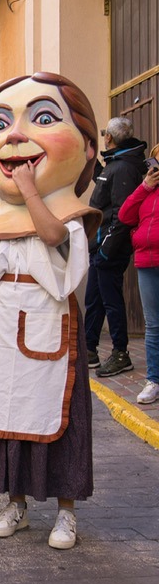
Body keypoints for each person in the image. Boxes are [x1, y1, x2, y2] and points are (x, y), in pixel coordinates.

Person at [0, 71, 100, 551]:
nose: (15, 136)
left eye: (41, 118)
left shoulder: (70, 216)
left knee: (59, 419)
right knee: (5, 411)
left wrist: (31, 189)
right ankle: (14, 502)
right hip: (3, 323)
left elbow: (55, 239)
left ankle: (65, 512)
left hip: (48, 321)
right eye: (1, 122)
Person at [85, 116, 148, 376]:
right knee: (95, 300)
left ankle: (121, 353)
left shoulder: (122, 168)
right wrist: (94, 164)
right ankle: (89, 349)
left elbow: (122, 213)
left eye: (103, 134)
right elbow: (107, 190)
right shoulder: (117, 164)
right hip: (101, 247)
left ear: (109, 137)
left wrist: (105, 249)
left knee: (110, 301)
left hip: (108, 248)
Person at [118, 146, 159, 404]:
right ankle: (154, 380)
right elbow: (124, 215)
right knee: (153, 326)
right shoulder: (147, 190)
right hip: (146, 262)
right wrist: (144, 186)